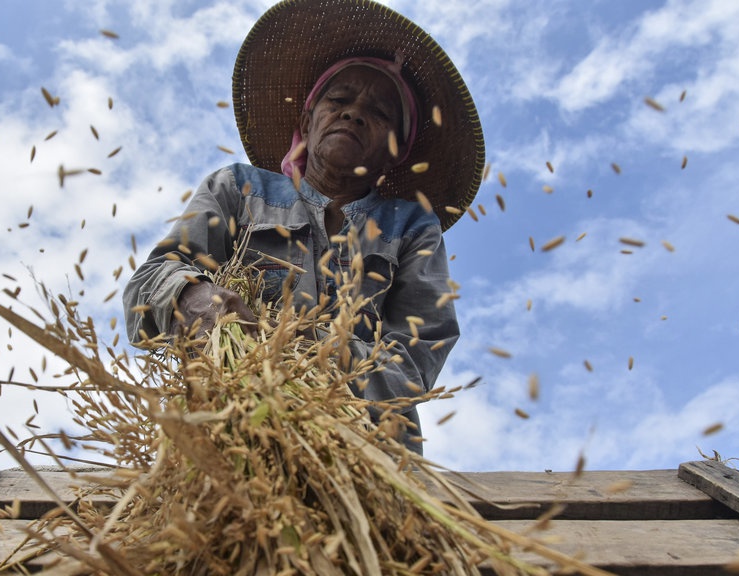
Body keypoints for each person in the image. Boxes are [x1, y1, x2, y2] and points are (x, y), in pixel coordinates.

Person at [123, 0, 484, 454]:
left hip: (364, 453)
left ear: (396, 151)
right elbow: (147, 286)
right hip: (225, 437)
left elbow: (418, 351)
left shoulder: (410, 226)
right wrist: (194, 298)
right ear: (307, 121)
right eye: (339, 99)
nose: (353, 113)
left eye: (379, 112)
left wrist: (303, 365)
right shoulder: (240, 189)